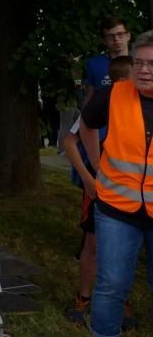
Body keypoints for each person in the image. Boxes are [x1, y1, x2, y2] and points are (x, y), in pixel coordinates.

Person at [80, 32, 153, 337]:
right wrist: (97, 168)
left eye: (151, 64)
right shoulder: (113, 95)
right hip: (116, 210)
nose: (144, 70)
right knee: (111, 285)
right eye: (138, 63)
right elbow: (85, 126)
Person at [63, 56, 132, 327]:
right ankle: (83, 298)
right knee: (92, 243)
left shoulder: (141, 105)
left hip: (131, 188)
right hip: (99, 185)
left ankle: (120, 301)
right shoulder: (99, 103)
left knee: (126, 244)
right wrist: (88, 179)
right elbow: (69, 141)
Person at [84, 17, 131, 104]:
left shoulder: (142, 61)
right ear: (104, 41)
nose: (116, 39)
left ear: (128, 36)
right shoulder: (94, 64)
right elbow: (89, 97)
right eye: (110, 36)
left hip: (136, 111)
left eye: (120, 34)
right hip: (104, 111)